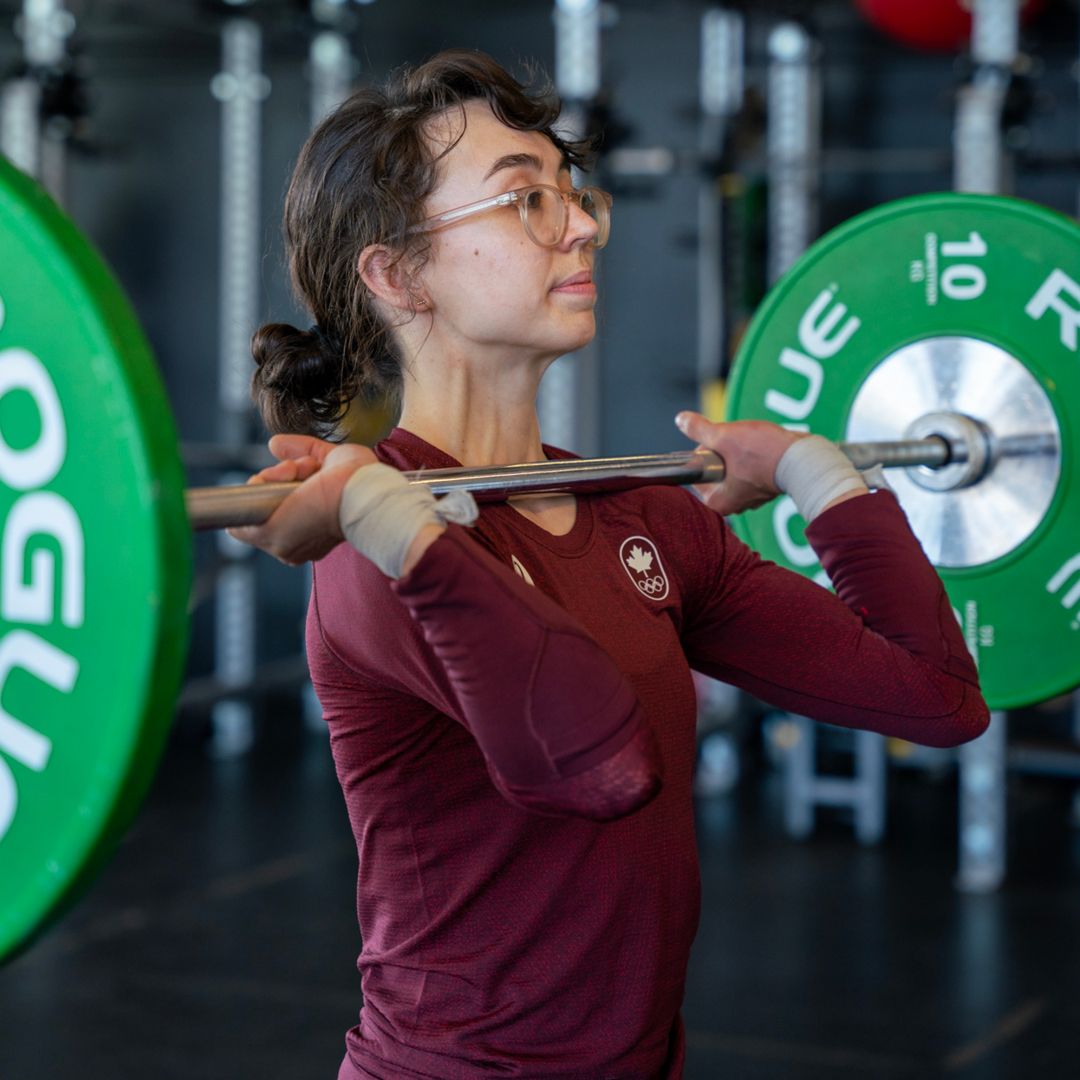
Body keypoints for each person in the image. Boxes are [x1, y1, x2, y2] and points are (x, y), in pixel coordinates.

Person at [232, 49, 989, 1080]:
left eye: (571, 193)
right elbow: (598, 765)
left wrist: (820, 474)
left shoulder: (636, 515)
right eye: (524, 202)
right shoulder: (367, 556)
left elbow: (937, 699)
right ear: (399, 275)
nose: (581, 225)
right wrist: (379, 511)